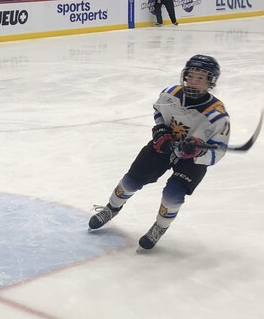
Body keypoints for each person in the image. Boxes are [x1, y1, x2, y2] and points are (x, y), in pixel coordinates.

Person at [88, 55, 230, 250]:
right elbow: (158, 113)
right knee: (131, 180)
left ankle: (159, 227)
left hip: (192, 161)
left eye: (201, 78)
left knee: (173, 193)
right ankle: (111, 208)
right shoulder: (170, 93)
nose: (194, 82)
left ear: (210, 82)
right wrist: (160, 130)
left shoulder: (217, 115)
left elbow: (217, 152)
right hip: (166, 145)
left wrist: (197, 151)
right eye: (191, 76)